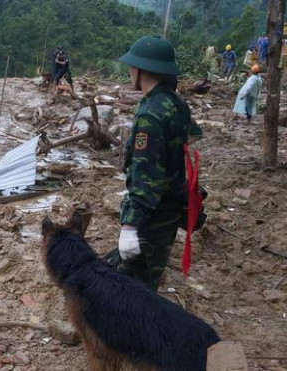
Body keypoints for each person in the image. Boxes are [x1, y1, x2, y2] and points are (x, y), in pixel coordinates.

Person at [104, 36, 194, 291]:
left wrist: (131, 225)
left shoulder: (150, 114)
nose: (129, 71)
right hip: (172, 205)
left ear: (141, 70)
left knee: (135, 284)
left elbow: (147, 176)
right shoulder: (176, 103)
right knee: (151, 272)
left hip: (153, 212)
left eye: (132, 66)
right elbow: (186, 142)